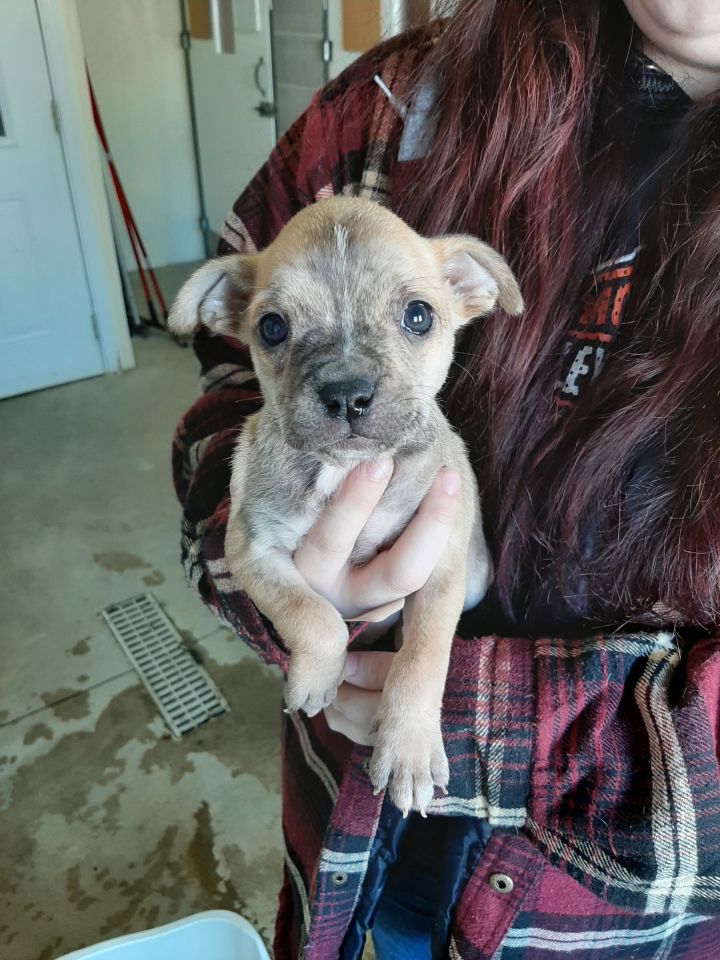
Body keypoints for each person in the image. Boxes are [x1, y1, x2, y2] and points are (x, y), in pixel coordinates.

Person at [172, 1, 720, 957]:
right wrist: (286, 587)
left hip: (620, 906)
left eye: (414, 319)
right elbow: (221, 401)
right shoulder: (393, 98)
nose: (346, 381)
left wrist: (476, 706)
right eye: (277, 327)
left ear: (470, 289)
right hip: (358, 826)